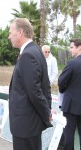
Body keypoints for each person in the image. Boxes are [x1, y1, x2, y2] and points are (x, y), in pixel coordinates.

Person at [8, 18, 52, 150]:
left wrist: (46, 112)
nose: (9, 36)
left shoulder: (28, 54)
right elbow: (44, 86)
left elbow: (35, 91)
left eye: (11, 32)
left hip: (25, 125)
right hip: (30, 122)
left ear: (20, 32)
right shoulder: (36, 50)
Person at [58, 38, 81, 150]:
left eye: (72, 47)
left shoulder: (72, 63)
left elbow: (61, 82)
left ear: (79, 47)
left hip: (71, 106)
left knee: (69, 136)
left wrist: (63, 90)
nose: (70, 50)